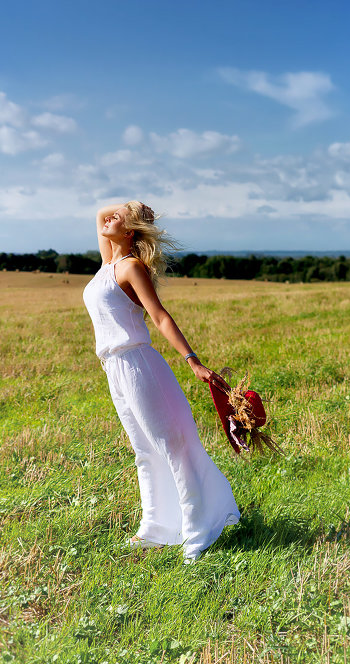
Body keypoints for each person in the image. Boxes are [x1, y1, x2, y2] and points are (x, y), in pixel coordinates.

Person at [82, 201, 240, 562]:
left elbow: (159, 316)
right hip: (114, 368)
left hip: (139, 364)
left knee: (173, 445)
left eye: (117, 218)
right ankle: (155, 527)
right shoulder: (108, 261)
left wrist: (193, 361)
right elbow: (98, 213)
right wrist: (125, 210)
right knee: (143, 450)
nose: (107, 219)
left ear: (130, 231)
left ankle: (197, 532)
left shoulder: (130, 267)